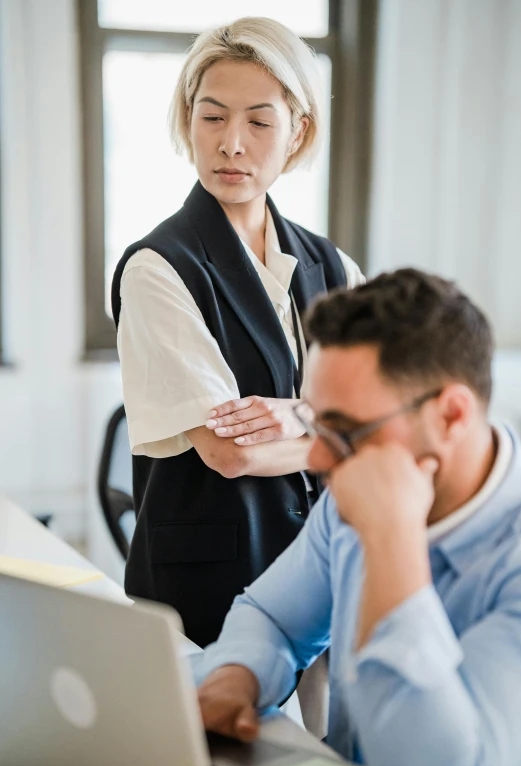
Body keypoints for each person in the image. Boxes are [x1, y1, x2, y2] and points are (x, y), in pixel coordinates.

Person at [194, 268, 521, 766]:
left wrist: (392, 539)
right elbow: (273, 616)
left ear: (452, 416)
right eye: (314, 423)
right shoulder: (352, 482)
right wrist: (237, 676)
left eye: (345, 429)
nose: (318, 457)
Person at [111, 17, 364, 648]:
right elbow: (231, 452)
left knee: (336, 744)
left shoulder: (335, 267)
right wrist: (337, 436)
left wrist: (300, 415)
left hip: (327, 565)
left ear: (296, 130)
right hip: (212, 584)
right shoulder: (157, 268)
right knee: (221, 747)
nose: (231, 144)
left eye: (258, 121)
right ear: (188, 120)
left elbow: (381, 415)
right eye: (212, 116)